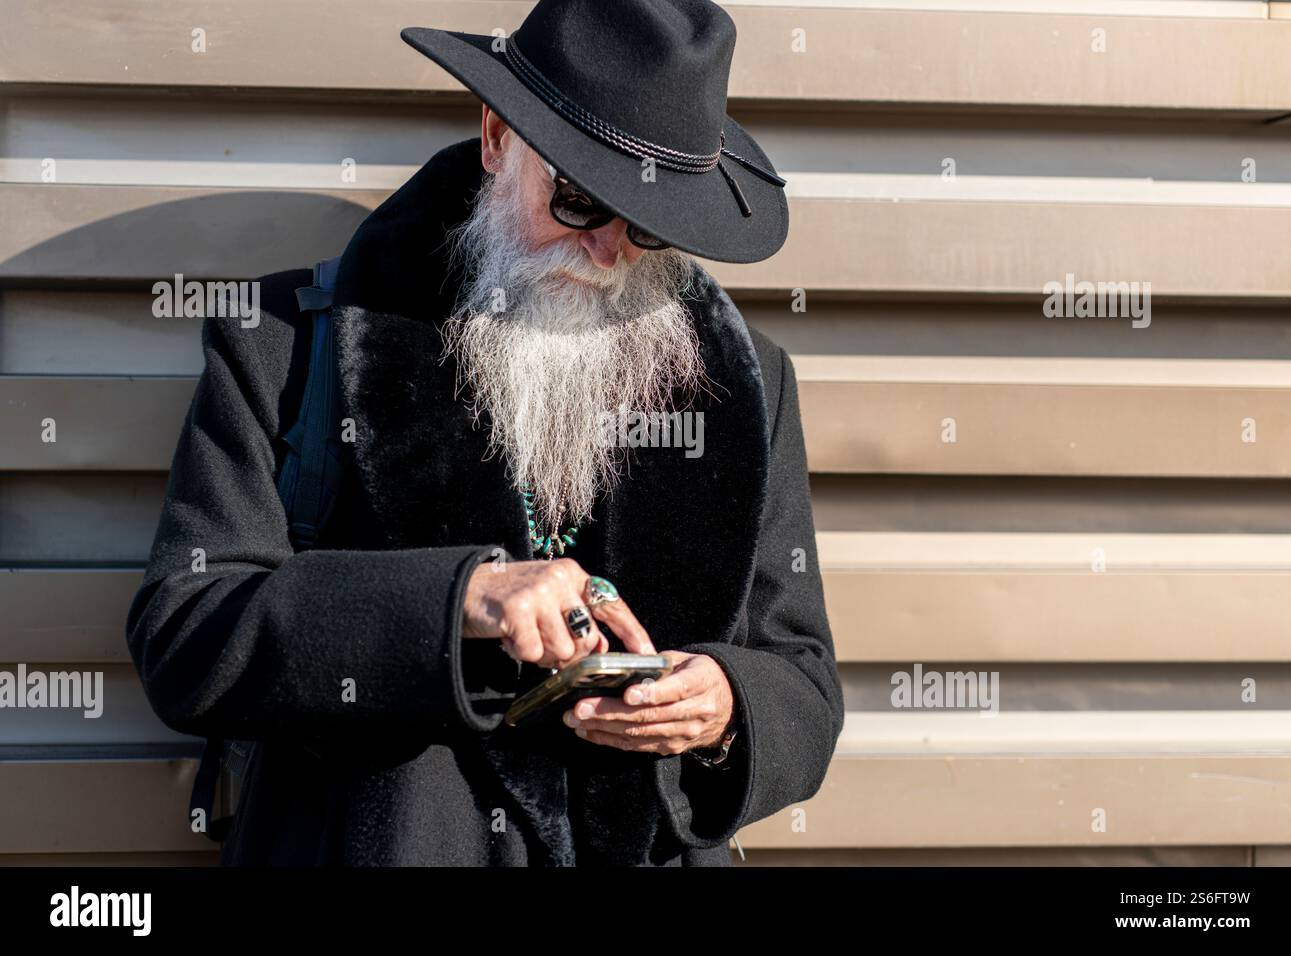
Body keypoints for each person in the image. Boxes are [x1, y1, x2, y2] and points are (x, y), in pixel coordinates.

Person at [126, 0, 844, 866]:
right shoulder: (283, 340)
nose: (609, 251)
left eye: (651, 223)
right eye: (580, 199)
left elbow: (801, 676)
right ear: (498, 137)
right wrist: (461, 599)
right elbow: (186, 632)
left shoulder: (751, 383)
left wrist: (729, 705)